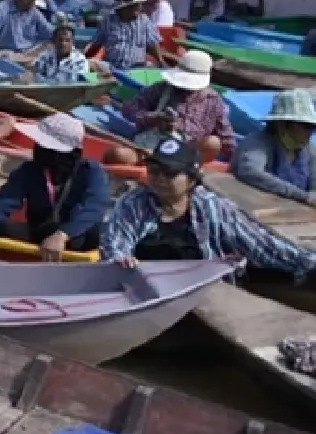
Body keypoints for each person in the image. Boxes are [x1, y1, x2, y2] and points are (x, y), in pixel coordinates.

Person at [102, 136, 316, 279]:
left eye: (170, 173)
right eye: (154, 171)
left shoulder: (212, 206)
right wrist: (121, 259)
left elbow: (259, 244)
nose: (159, 179)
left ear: (192, 180)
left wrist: (307, 261)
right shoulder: (134, 203)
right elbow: (116, 242)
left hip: (199, 288)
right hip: (147, 287)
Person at [0, 114, 112, 261]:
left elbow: (93, 208)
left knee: (92, 231)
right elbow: (3, 200)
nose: (39, 149)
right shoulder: (29, 169)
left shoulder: (92, 171)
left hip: (77, 237)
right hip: (40, 231)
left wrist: (63, 235)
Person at [118, 50, 234, 165]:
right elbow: (129, 109)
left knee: (212, 143)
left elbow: (226, 135)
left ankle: (186, 170)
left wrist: (234, 159)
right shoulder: (161, 88)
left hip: (187, 154)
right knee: (119, 155)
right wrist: (155, 118)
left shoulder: (213, 100)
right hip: (154, 147)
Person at [233, 89, 315, 204]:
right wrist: (300, 195)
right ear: (282, 124)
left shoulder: (309, 150)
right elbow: (250, 172)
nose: (310, 131)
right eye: (306, 126)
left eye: (313, 126)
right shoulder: (257, 143)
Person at [88, 0, 164, 73]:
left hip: (137, 67)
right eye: (134, 5)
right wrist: (85, 58)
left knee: (150, 67)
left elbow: (153, 45)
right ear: (122, 9)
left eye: (138, 4)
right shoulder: (108, 21)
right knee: (92, 64)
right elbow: (95, 44)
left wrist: (161, 62)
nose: (139, 7)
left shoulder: (144, 21)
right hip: (112, 67)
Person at [24, 18, 94, 85]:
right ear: (54, 41)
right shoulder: (46, 55)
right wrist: (29, 74)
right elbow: (32, 69)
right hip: (46, 92)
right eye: (60, 40)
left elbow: (89, 81)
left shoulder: (80, 60)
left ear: (72, 42)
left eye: (67, 40)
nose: (63, 43)